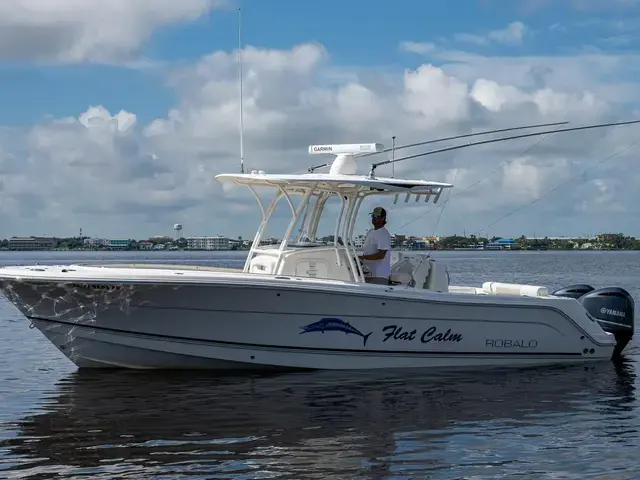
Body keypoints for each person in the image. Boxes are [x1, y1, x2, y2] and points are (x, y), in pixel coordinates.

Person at [358, 206, 392, 284]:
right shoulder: (370, 232)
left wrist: (362, 258)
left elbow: (381, 255)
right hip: (368, 273)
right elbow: (367, 251)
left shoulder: (383, 234)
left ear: (383, 218)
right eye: (372, 216)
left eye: (376, 216)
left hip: (379, 276)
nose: (373, 218)